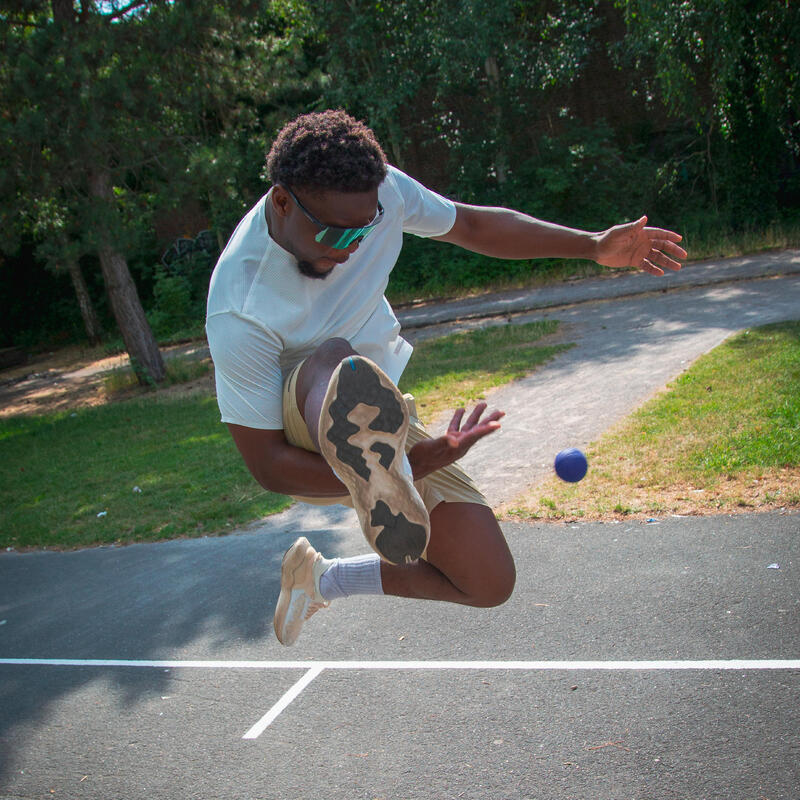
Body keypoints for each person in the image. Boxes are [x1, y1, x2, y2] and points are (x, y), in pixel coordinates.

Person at [206, 109, 686, 646]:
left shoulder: (383, 192)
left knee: (486, 581)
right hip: (308, 429)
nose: (348, 246)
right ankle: (377, 472)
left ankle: (321, 577)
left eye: (364, 229)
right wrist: (405, 469)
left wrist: (593, 246)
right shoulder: (239, 307)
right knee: (333, 358)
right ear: (281, 201)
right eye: (332, 231)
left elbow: (474, 224)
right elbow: (269, 468)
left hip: (374, 419)